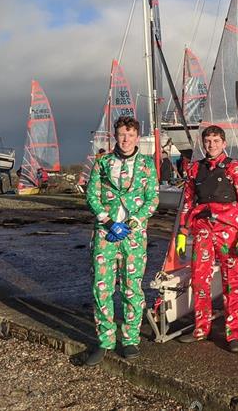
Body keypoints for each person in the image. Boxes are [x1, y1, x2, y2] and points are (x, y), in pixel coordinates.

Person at [84, 116, 159, 366]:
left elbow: (152, 200)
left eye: (130, 134)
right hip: (105, 234)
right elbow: (92, 194)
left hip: (134, 235)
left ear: (137, 137)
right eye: (121, 134)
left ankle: (130, 339)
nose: (125, 139)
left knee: (132, 287)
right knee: (101, 286)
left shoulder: (147, 165)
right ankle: (105, 340)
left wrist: (132, 223)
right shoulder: (102, 163)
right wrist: (107, 221)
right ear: (115, 136)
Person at [175, 125, 238, 353]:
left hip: (229, 229)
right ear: (203, 143)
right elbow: (188, 202)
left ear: (224, 143)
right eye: (208, 141)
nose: (211, 145)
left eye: (216, 141)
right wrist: (182, 232)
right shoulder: (194, 169)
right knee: (199, 280)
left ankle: (233, 334)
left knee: (232, 283)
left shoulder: (235, 168)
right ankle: (201, 328)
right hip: (202, 228)